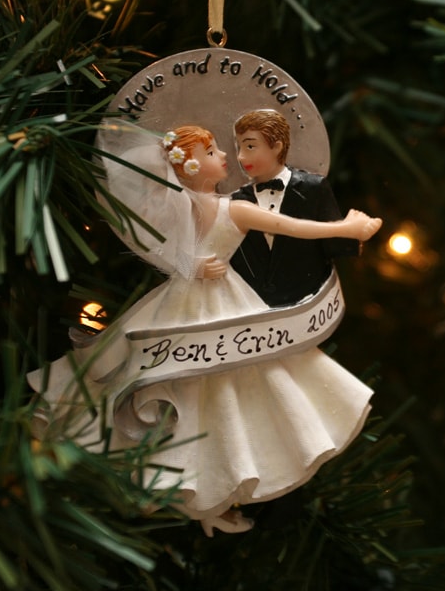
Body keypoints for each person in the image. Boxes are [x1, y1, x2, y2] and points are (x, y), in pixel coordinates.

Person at [28, 119, 382, 536]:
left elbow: (293, 228)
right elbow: (158, 244)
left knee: (228, 395)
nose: (226, 157)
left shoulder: (235, 206)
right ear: (191, 167)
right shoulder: (204, 206)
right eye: (213, 153)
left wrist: (342, 229)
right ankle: (176, 485)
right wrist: (190, 264)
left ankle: (208, 492)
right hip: (187, 306)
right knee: (188, 393)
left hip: (222, 305)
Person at [231, 109, 360, 307]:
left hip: (308, 303)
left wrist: (354, 233)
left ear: (276, 146)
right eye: (238, 147)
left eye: (250, 146)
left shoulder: (313, 188)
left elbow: (335, 245)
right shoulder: (237, 200)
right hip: (250, 308)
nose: (240, 157)